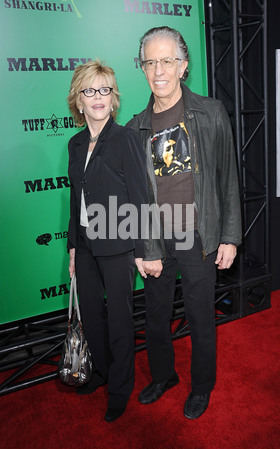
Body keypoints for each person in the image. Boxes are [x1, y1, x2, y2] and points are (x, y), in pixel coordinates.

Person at [126, 26, 242, 419]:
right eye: (151, 62)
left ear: (184, 65)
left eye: (168, 60)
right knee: (156, 317)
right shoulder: (134, 128)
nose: (159, 70)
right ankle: (163, 376)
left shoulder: (209, 113)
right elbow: (135, 199)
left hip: (199, 234)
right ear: (142, 68)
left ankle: (202, 386)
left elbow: (227, 177)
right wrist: (143, 249)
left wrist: (229, 236)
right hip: (158, 238)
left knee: (199, 316)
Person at [67, 60, 147, 422]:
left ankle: (119, 388)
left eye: (104, 89)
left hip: (117, 245)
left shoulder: (126, 139)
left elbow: (142, 197)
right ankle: (99, 372)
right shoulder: (74, 143)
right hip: (84, 245)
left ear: (113, 98)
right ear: (78, 100)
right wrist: (72, 247)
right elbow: (75, 199)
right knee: (93, 319)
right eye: (89, 90)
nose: (97, 97)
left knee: (119, 320)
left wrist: (144, 251)